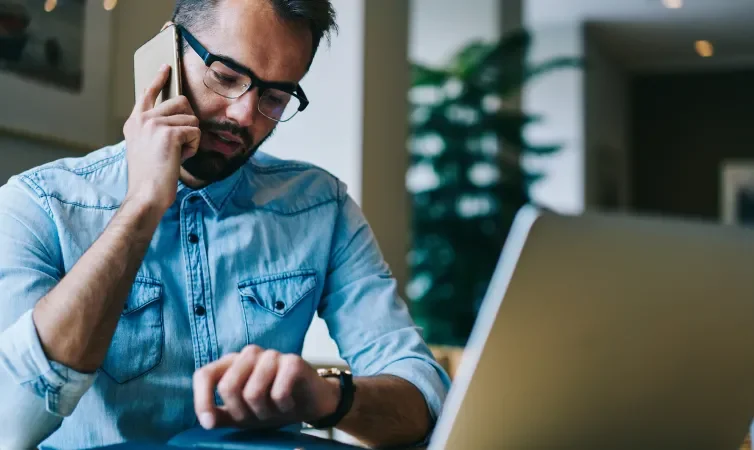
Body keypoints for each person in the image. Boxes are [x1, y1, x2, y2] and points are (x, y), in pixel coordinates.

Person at [0, 0, 451, 448]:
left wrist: (326, 397)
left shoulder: (321, 207)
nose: (244, 116)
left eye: (275, 96)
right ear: (168, 51)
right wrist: (141, 207)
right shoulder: (38, 205)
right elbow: (11, 422)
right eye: (226, 76)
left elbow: (424, 402)